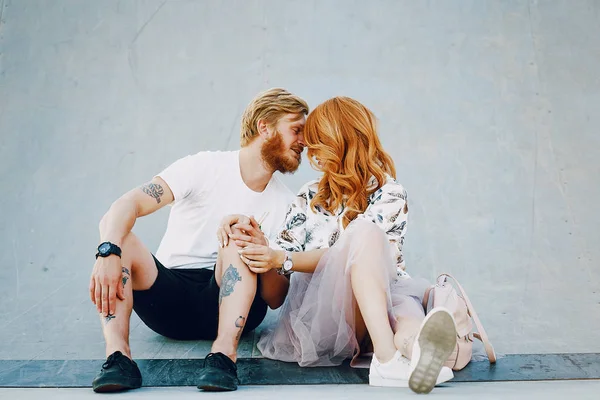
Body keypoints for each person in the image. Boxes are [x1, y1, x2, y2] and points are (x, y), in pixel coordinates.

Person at [229, 96, 458, 394]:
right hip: (321, 317)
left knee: (405, 306)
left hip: (380, 306)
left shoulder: (390, 192)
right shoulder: (307, 197)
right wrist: (265, 251)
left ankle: (416, 351)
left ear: (343, 140)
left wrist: (283, 257)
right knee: (364, 234)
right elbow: (276, 295)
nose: (310, 152)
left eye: (318, 143)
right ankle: (389, 360)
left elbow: (374, 265)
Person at [88, 88, 309, 393]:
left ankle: (223, 357)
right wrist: (108, 251)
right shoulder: (203, 167)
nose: (304, 142)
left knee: (238, 233)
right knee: (120, 238)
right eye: (296, 130)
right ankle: (118, 359)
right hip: (167, 301)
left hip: (236, 308)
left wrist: (265, 252)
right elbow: (128, 204)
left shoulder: (288, 203)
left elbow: (275, 298)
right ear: (265, 126)